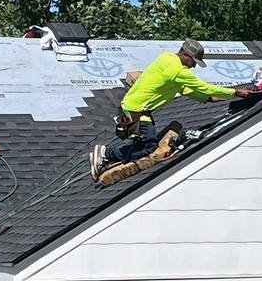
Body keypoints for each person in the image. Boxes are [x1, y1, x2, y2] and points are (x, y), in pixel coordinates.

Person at [89, 39, 251, 180]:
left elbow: (185, 89)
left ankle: (110, 158)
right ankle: (107, 154)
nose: (194, 65)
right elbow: (204, 87)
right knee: (149, 146)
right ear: (186, 55)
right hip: (136, 111)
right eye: (194, 61)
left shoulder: (166, 58)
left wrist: (207, 99)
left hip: (134, 108)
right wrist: (235, 92)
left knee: (144, 142)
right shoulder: (178, 71)